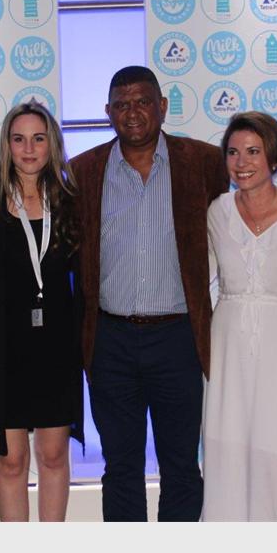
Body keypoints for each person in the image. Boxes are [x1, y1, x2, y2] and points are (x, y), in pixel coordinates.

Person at [70, 65, 229, 522]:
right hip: (110, 342)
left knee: (181, 465)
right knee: (120, 466)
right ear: (108, 112)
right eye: (122, 104)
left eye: (142, 102)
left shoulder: (204, 162)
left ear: (162, 106)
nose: (132, 112)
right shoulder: (83, 171)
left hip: (178, 338)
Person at [0, 102, 83, 522]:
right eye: (19, 139)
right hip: (3, 351)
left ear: (52, 144)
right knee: (11, 462)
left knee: (53, 456)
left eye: (38, 139)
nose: (29, 149)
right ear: (7, 145)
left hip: (55, 349)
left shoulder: (70, 203)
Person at [202, 112, 277, 521]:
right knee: (227, 440)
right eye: (233, 152)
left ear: (274, 156)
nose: (242, 162)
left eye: (253, 151)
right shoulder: (217, 212)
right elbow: (201, 275)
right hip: (229, 345)